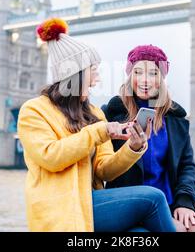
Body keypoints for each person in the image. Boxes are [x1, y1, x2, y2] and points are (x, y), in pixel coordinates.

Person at [17, 19, 176, 232]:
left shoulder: (94, 113)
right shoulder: (34, 111)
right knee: (154, 198)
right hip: (60, 209)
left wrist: (133, 148)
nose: (97, 79)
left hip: (90, 203)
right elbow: (50, 157)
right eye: (93, 70)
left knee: (140, 233)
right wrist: (101, 131)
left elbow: (104, 171)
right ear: (75, 75)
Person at [103, 45, 195, 232]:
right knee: (178, 229)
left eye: (153, 73)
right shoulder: (111, 115)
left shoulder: (176, 119)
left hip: (170, 202)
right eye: (138, 72)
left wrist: (184, 202)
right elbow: (101, 166)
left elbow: (187, 166)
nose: (145, 80)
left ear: (162, 78)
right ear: (130, 76)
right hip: (130, 204)